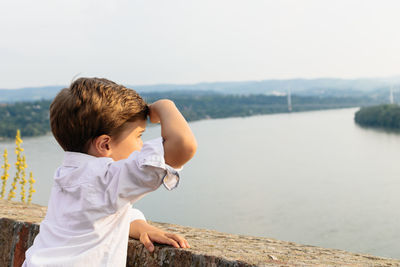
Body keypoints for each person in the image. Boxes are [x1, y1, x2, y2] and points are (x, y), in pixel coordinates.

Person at [23, 77, 197, 267]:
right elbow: (183, 146)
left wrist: (141, 226)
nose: (141, 145)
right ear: (105, 144)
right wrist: (165, 106)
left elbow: (96, 218)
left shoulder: (67, 173)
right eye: (139, 136)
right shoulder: (104, 178)